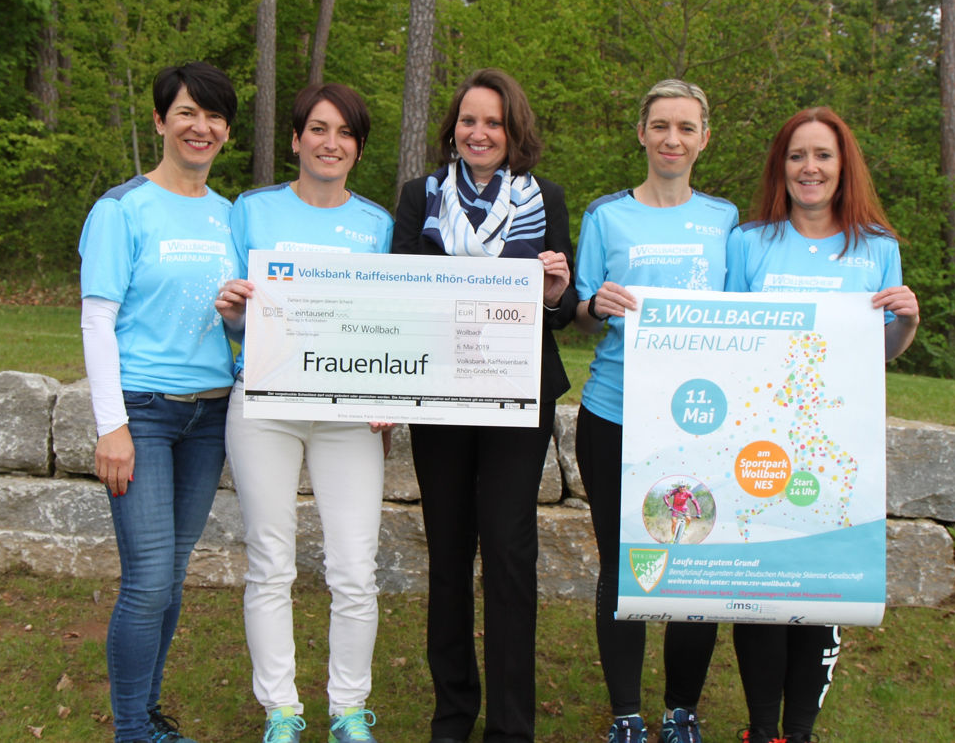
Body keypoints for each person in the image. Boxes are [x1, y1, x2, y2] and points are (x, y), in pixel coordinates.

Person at [391, 68, 577, 743]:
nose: (480, 132)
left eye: (493, 122)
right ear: (453, 128)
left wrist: (556, 291)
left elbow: (561, 312)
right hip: (440, 396)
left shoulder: (544, 199)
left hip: (517, 397)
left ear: (513, 131)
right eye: (469, 120)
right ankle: (452, 714)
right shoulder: (421, 198)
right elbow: (398, 298)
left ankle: (510, 727)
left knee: (506, 552)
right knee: (447, 552)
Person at [725, 106, 919, 743]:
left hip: (837, 449)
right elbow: (723, 340)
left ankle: (798, 731)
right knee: (760, 592)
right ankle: (760, 730)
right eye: (797, 155)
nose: (810, 167)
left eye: (824, 156)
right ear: (781, 167)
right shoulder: (748, 243)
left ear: (844, 166)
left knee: (820, 592)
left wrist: (908, 323)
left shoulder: (878, 250)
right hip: (760, 442)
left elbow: (882, 353)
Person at [214, 84, 394, 743]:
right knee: (271, 561)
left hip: (348, 413)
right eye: (318, 129)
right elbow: (233, 314)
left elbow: (389, 325)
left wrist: (390, 396)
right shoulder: (252, 211)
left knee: (354, 567)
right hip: (265, 402)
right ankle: (281, 711)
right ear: (295, 139)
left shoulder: (377, 225)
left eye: (345, 133)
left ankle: (349, 711)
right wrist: (232, 310)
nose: (330, 142)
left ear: (358, 148)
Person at [78, 61, 239, 743]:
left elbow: (237, 325)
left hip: (209, 417)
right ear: (159, 122)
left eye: (213, 116)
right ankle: (131, 731)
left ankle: (146, 715)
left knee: (170, 579)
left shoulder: (232, 217)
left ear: (226, 131)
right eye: (186, 114)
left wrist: (237, 321)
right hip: (143, 413)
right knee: (147, 580)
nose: (200, 127)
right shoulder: (122, 209)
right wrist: (111, 426)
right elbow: (96, 320)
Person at [573, 79, 738, 743]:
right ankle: (627, 715)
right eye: (660, 125)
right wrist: (593, 308)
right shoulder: (605, 217)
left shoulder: (726, 221)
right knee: (624, 566)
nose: (673, 139)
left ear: (705, 137)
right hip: (615, 414)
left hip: (701, 421)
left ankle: (680, 710)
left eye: (686, 127)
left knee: (692, 563)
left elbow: (748, 323)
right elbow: (580, 313)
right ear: (640, 132)